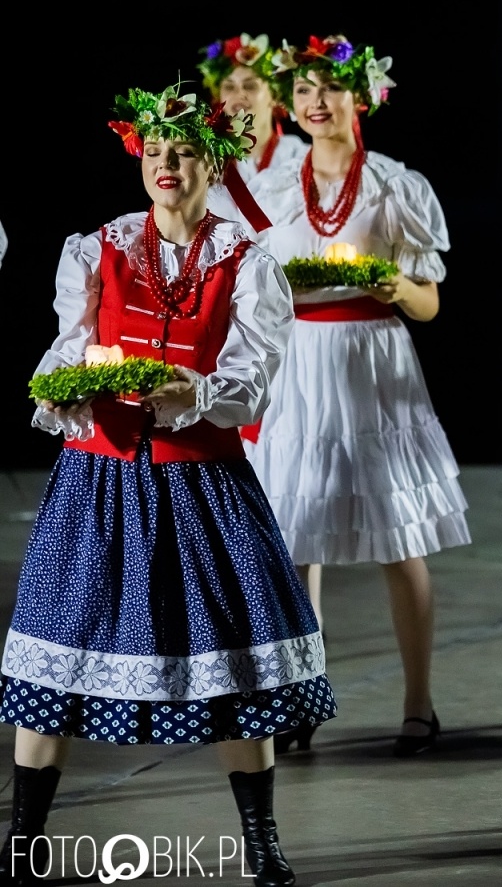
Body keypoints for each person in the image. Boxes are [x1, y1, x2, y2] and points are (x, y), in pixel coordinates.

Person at [1, 86, 327, 887]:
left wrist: (195, 393)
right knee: (57, 656)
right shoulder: (98, 248)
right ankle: (22, 841)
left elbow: (252, 385)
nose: (165, 165)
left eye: (180, 152)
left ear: (211, 161)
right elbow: (67, 349)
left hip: (203, 484)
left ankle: (261, 842)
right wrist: (61, 389)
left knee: (231, 668)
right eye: (153, 153)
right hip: (100, 482)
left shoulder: (249, 263)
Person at [247, 36, 467, 756]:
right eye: (303, 91)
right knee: (296, 538)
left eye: (330, 90)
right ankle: (305, 694)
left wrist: (393, 286)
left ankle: (419, 701)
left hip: (373, 360)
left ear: (361, 98)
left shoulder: (395, 184)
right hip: (301, 362)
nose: (315, 103)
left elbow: (428, 302)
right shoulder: (277, 188)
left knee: (397, 536)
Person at [196, 33, 308, 232]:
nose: (239, 94)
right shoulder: (206, 160)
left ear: (274, 96)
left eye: (250, 86)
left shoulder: (299, 157)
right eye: (229, 87)